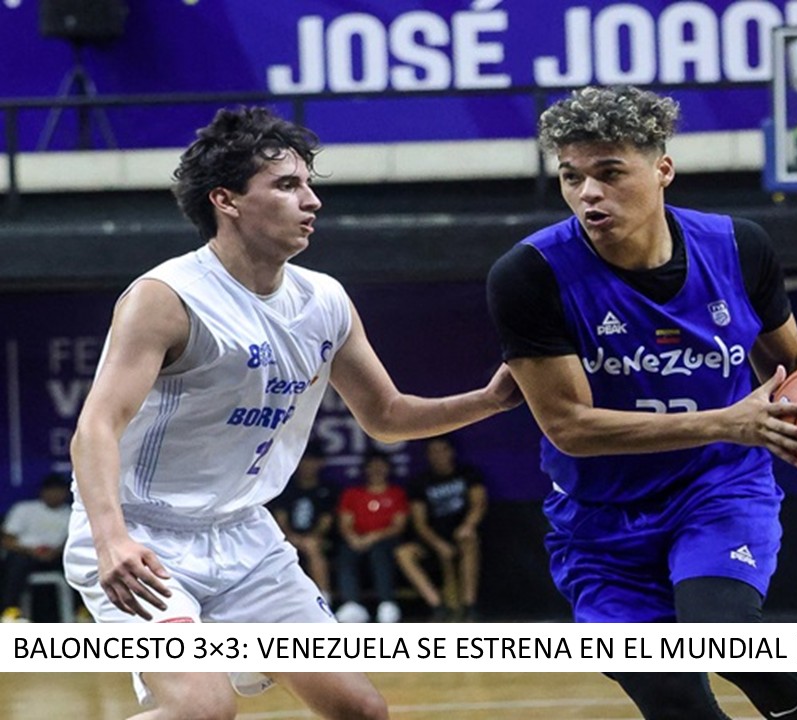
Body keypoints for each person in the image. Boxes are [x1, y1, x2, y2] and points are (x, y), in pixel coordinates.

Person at [66, 106, 522, 720]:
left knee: (361, 710)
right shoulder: (168, 297)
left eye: (310, 184)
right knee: (203, 710)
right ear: (225, 200)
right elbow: (96, 426)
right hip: (144, 537)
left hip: (245, 537)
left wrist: (491, 400)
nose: (311, 201)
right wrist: (110, 538)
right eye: (287, 185)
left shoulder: (325, 300)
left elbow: (386, 415)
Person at [487, 85, 797, 720]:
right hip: (598, 519)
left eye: (610, 173)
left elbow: (794, 368)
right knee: (672, 700)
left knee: (732, 638)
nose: (588, 194)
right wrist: (727, 420)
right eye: (572, 176)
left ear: (662, 168)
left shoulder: (739, 248)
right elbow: (569, 427)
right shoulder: (529, 274)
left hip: (716, 487)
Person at [395, 434, 488, 621]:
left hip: (460, 533)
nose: (438, 455)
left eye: (441, 450)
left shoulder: (468, 474)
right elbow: (419, 523)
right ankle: (437, 605)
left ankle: (469, 605)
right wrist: (438, 545)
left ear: (451, 452)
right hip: (432, 539)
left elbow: (479, 504)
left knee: (468, 539)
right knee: (403, 553)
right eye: (433, 452)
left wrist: (468, 526)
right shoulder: (420, 482)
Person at [333, 448, 409, 623]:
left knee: (380, 553)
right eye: (372, 466)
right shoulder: (352, 493)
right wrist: (353, 538)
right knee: (346, 553)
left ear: (388, 469)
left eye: (381, 466)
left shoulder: (396, 493)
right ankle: (351, 604)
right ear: (365, 469)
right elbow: (345, 522)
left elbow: (398, 526)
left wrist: (373, 537)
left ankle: (386, 604)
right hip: (357, 539)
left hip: (385, 540)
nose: (377, 470)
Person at [1, 473, 72, 622]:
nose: (55, 494)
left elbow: (73, 540)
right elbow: (6, 540)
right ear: (43, 491)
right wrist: (31, 551)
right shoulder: (24, 509)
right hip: (26, 554)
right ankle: (10, 611)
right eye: (51, 490)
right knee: (15, 563)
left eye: (59, 490)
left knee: (77, 562)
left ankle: (82, 611)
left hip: (56, 556)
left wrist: (56, 552)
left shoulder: (71, 513)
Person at [270, 439, 336, 600]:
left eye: (313, 461)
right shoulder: (286, 488)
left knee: (312, 547)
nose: (308, 465)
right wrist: (291, 537)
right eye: (305, 460)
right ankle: (278, 600)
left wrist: (312, 537)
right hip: (287, 536)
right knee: (277, 551)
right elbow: (280, 519)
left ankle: (324, 596)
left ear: (320, 463)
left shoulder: (326, 489)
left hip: (317, 538)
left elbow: (326, 521)